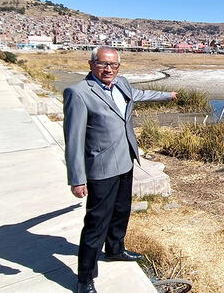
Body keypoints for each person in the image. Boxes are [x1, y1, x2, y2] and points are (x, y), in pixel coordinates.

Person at [63, 46, 177, 293]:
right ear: (91, 64)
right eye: (103, 64)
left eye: (113, 65)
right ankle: (85, 277)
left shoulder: (122, 83)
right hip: (101, 168)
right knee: (96, 224)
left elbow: (139, 94)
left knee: (121, 211)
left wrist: (168, 95)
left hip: (126, 161)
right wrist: (77, 179)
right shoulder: (78, 93)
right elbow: (73, 139)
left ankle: (115, 250)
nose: (108, 69)